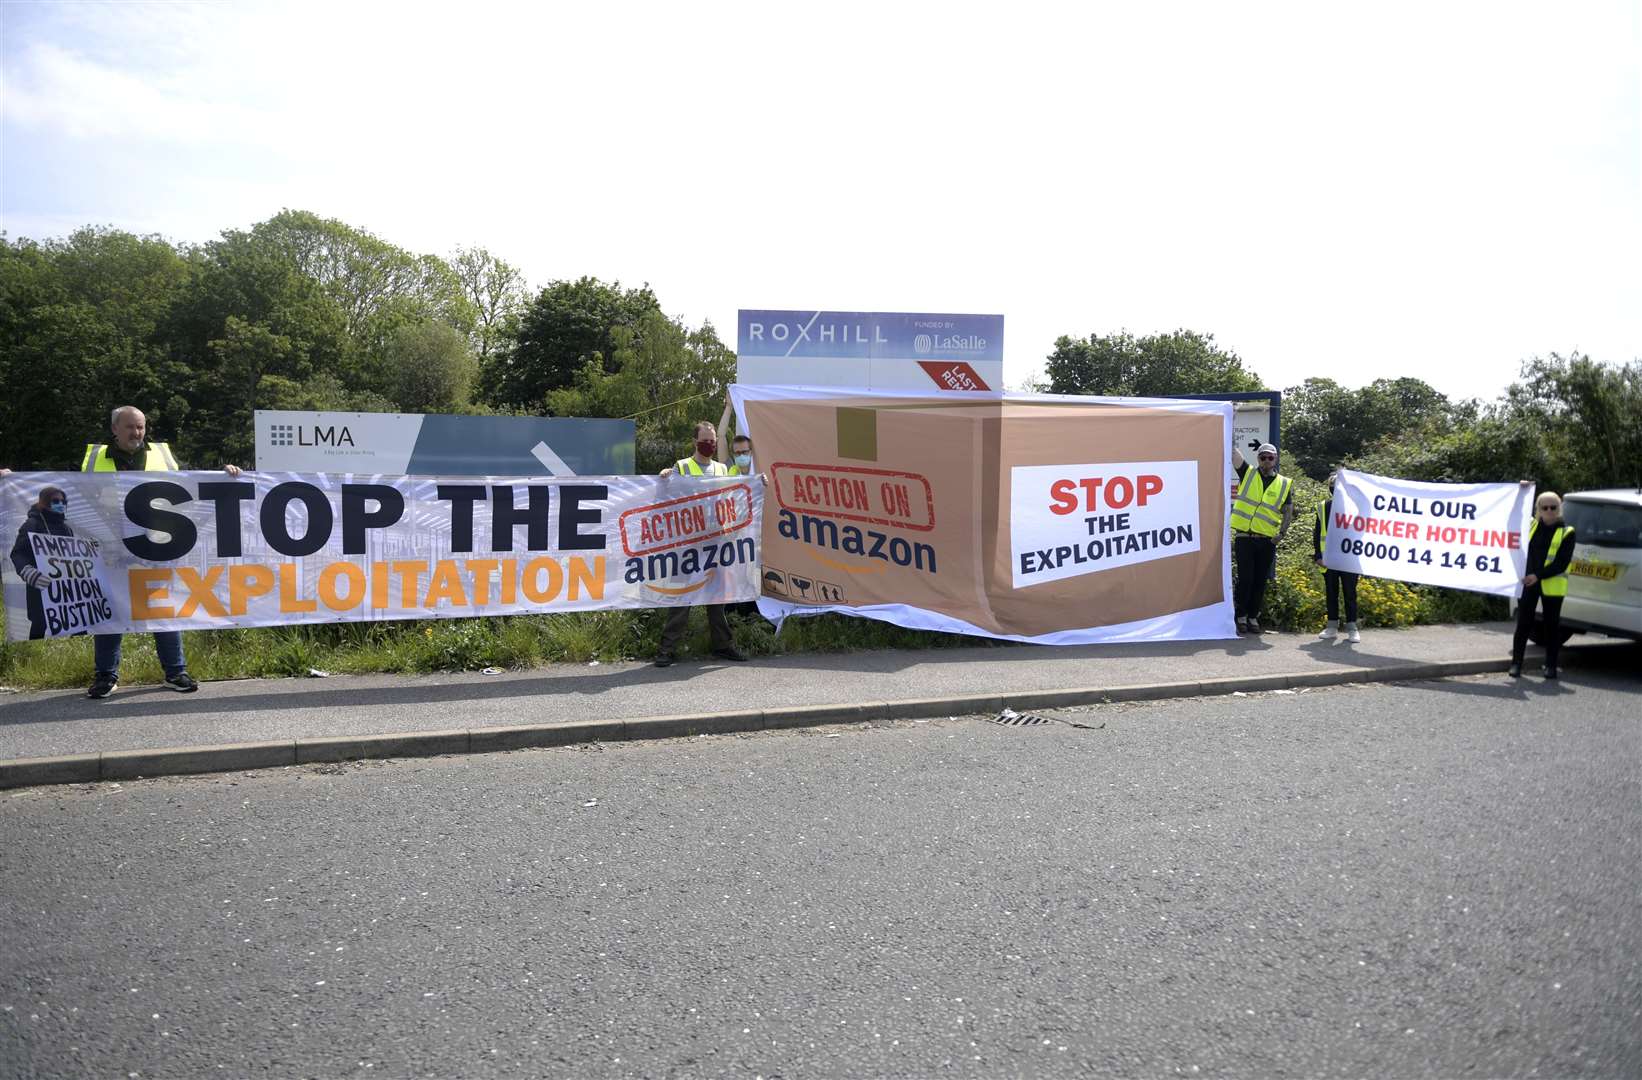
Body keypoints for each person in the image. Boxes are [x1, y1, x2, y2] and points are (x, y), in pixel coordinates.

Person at [82, 405, 242, 699]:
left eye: (141, 427)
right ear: (115, 429)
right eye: (130, 427)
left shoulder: (161, 455)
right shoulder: (94, 459)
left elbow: (189, 485)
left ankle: (175, 672)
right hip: (112, 548)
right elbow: (68, 491)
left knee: (162, 609)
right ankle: (106, 676)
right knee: (110, 613)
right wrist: (12, 479)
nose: (137, 433)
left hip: (155, 546)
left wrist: (223, 476)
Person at [654, 421, 748, 667]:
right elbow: (666, 494)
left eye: (713, 440)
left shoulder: (720, 469)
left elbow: (738, 488)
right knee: (681, 599)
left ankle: (723, 646)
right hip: (687, 544)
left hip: (715, 541)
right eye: (705, 440)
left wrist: (761, 483)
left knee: (717, 597)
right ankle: (667, 649)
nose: (710, 444)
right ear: (695, 442)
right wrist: (665, 474)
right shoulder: (682, 466)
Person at [1510, 491, 1576, 680]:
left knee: (1551, 627)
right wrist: (1521, 490)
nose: (1548, 511)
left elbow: (1561, 563)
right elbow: (1515, 511)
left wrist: (1537, 576)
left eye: (1553, 507)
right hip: (1528, 583)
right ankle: (1516, 664)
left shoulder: (1567, 532)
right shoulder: (1530, 525)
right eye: (1544, 507)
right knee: (1524, 624)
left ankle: (1550, 666)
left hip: (1551, 585)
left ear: (1559, 509)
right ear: (1537, 509)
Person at [1229, 442, 1294, 634]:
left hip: (1267, 541)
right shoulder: (1248, 473)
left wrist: (1281, 534)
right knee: (1246, 579)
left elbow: (1288, 511)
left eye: (1270, 457)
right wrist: (1230, 418)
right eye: (1263, 457)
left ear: (1275, 459)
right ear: (1258, 459)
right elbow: (1233, 452)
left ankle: (1253, 617)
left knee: (1260, 581)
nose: (1266, 460)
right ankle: (1240, 617)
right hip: (1244, 538)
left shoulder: (1284, 483)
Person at [8, 485, 76, 640]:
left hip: (64, 585)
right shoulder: (32, 524)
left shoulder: (66, 528)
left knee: (72, 616)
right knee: (40, 622)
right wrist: (28, 572)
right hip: (40, 583)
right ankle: (33, 654)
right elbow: (17, 553)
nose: (60, 503)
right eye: (55, 500)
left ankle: (71, 646)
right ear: (44, 502)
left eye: (63, 501)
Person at [1312, 471, 1361, 643]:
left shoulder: (1355, 507)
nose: (1336, 490)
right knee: (1331, 593)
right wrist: (1318, 555)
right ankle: (1332, 627)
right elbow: (1317, 533)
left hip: (1349, 559)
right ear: (1331, 489)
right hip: (1329, 559)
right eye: (1334, 487)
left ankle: (1352, 628)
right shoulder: (1323, 506)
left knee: (1350, 593)